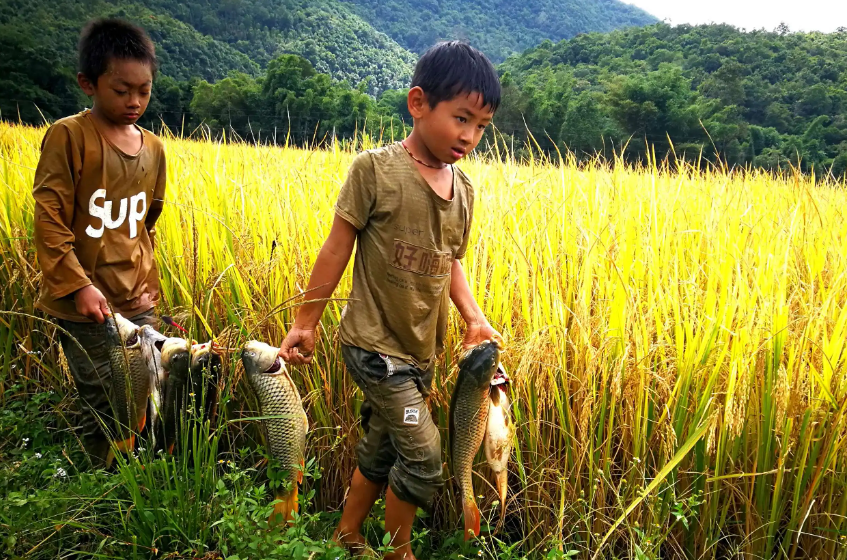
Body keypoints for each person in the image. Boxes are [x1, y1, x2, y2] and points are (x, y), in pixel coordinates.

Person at [278, 41, 502, 560]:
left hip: (419, 350)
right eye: (461, 118)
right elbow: (336, 246)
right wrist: (305, 321)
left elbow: (450, 262)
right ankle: (398, 553)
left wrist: (474, 318)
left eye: (481, 126)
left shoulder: (464, 191)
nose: (469, 136)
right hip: (374, 348)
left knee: (381, 447)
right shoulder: (375, 170)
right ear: (419, 103)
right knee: (424, 458)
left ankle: (346, 535)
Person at [32, 18, 166, 468]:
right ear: (88, 84)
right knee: (102, 393)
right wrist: (77, 285)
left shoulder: (154, 149)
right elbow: (49, 219)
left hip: (135, 297)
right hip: (84, 299)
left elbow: (147, 222)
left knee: (148, 388)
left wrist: (148, 284)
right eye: (121, 89)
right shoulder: (70, 137)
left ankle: (136, 472)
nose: (134, 102)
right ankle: (100, 483)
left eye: (143, 91)